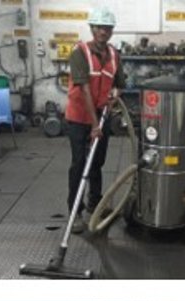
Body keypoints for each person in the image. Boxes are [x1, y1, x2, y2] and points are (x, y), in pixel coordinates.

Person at [66, 9, 123, 221]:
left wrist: (116, 93)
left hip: (102, 115)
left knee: (97, 162)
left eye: (107, 28)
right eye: (99, 27)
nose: (103, 32)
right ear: (92, 29)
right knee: (80, 163)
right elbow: (84, 89)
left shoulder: (115, 55)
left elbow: (120, 83)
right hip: (79, 118)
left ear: (111, 31)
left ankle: (95, 204)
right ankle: (75, 210)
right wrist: (94, 126)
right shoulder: (79, 52)